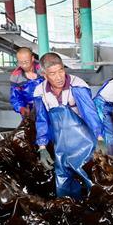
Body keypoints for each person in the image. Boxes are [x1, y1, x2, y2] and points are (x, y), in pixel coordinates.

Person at [33, 52, 105, 199]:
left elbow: (90, 113)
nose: (59, 77)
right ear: (45, 75)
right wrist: (42, 147)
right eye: (53, 73)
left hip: (84, 145)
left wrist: (99, 137)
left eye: (61, 71)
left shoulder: (77, 85)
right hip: (61, 148)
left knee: (93, 182)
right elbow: (41, 120)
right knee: (64, 186)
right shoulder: (40, 92)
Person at [9, 47, 43, 117]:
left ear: (32, 58)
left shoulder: (43, 69)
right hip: (29, 112)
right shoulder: (15, 77)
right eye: (20, 62)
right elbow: (15, 97)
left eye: (26, 62)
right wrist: (21, 108)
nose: (24, 65)